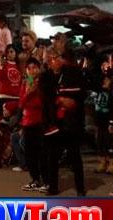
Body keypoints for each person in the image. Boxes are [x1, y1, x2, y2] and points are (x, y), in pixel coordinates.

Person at [41, 49, 87, 196]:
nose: (50, 62)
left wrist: (71, 101)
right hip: (55, 121)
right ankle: (53, 187)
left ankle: (80, 188)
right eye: (47, 60)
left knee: (74, 155)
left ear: (59, 59)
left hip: (71, 121)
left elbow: (81, 94)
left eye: (52, 59)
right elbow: (46, 97)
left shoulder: (73, 73)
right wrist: (60, 99)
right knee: (52, 156)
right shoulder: (46, 77)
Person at [18, 58, 47, 192]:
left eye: (34, 67)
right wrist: (29, 93)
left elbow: (42, 103)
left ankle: (46, 180)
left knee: (41, 153)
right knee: (29, 153)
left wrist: (35, 92)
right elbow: (21, 103)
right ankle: (35, 179)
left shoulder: (43, 83)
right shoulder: (26, 83)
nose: (32, 70)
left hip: (39, 121)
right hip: (27, 122)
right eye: (29, 68)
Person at [93, 63, 112, 174]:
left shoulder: (111, 93)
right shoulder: (99, 90)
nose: (105, 82)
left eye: (107, 80)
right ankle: (103, 161)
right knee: (100, 140)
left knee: (110, 141)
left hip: (108, 120)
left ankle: (111, 162)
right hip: (99, 119)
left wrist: (111, 122)